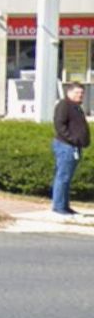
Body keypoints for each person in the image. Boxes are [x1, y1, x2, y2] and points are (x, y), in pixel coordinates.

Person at [53, 82, 88, 217]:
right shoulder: (64, 105)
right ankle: (58, 206)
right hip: (66, 146)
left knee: (67, 178)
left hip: (75, 147)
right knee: (63, 176)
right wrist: (72, 139)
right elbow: (59, 125)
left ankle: (65, 206)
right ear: (69, 92)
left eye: (81, 93)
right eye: (77, 92)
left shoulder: (77, 108)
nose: (80, 95)